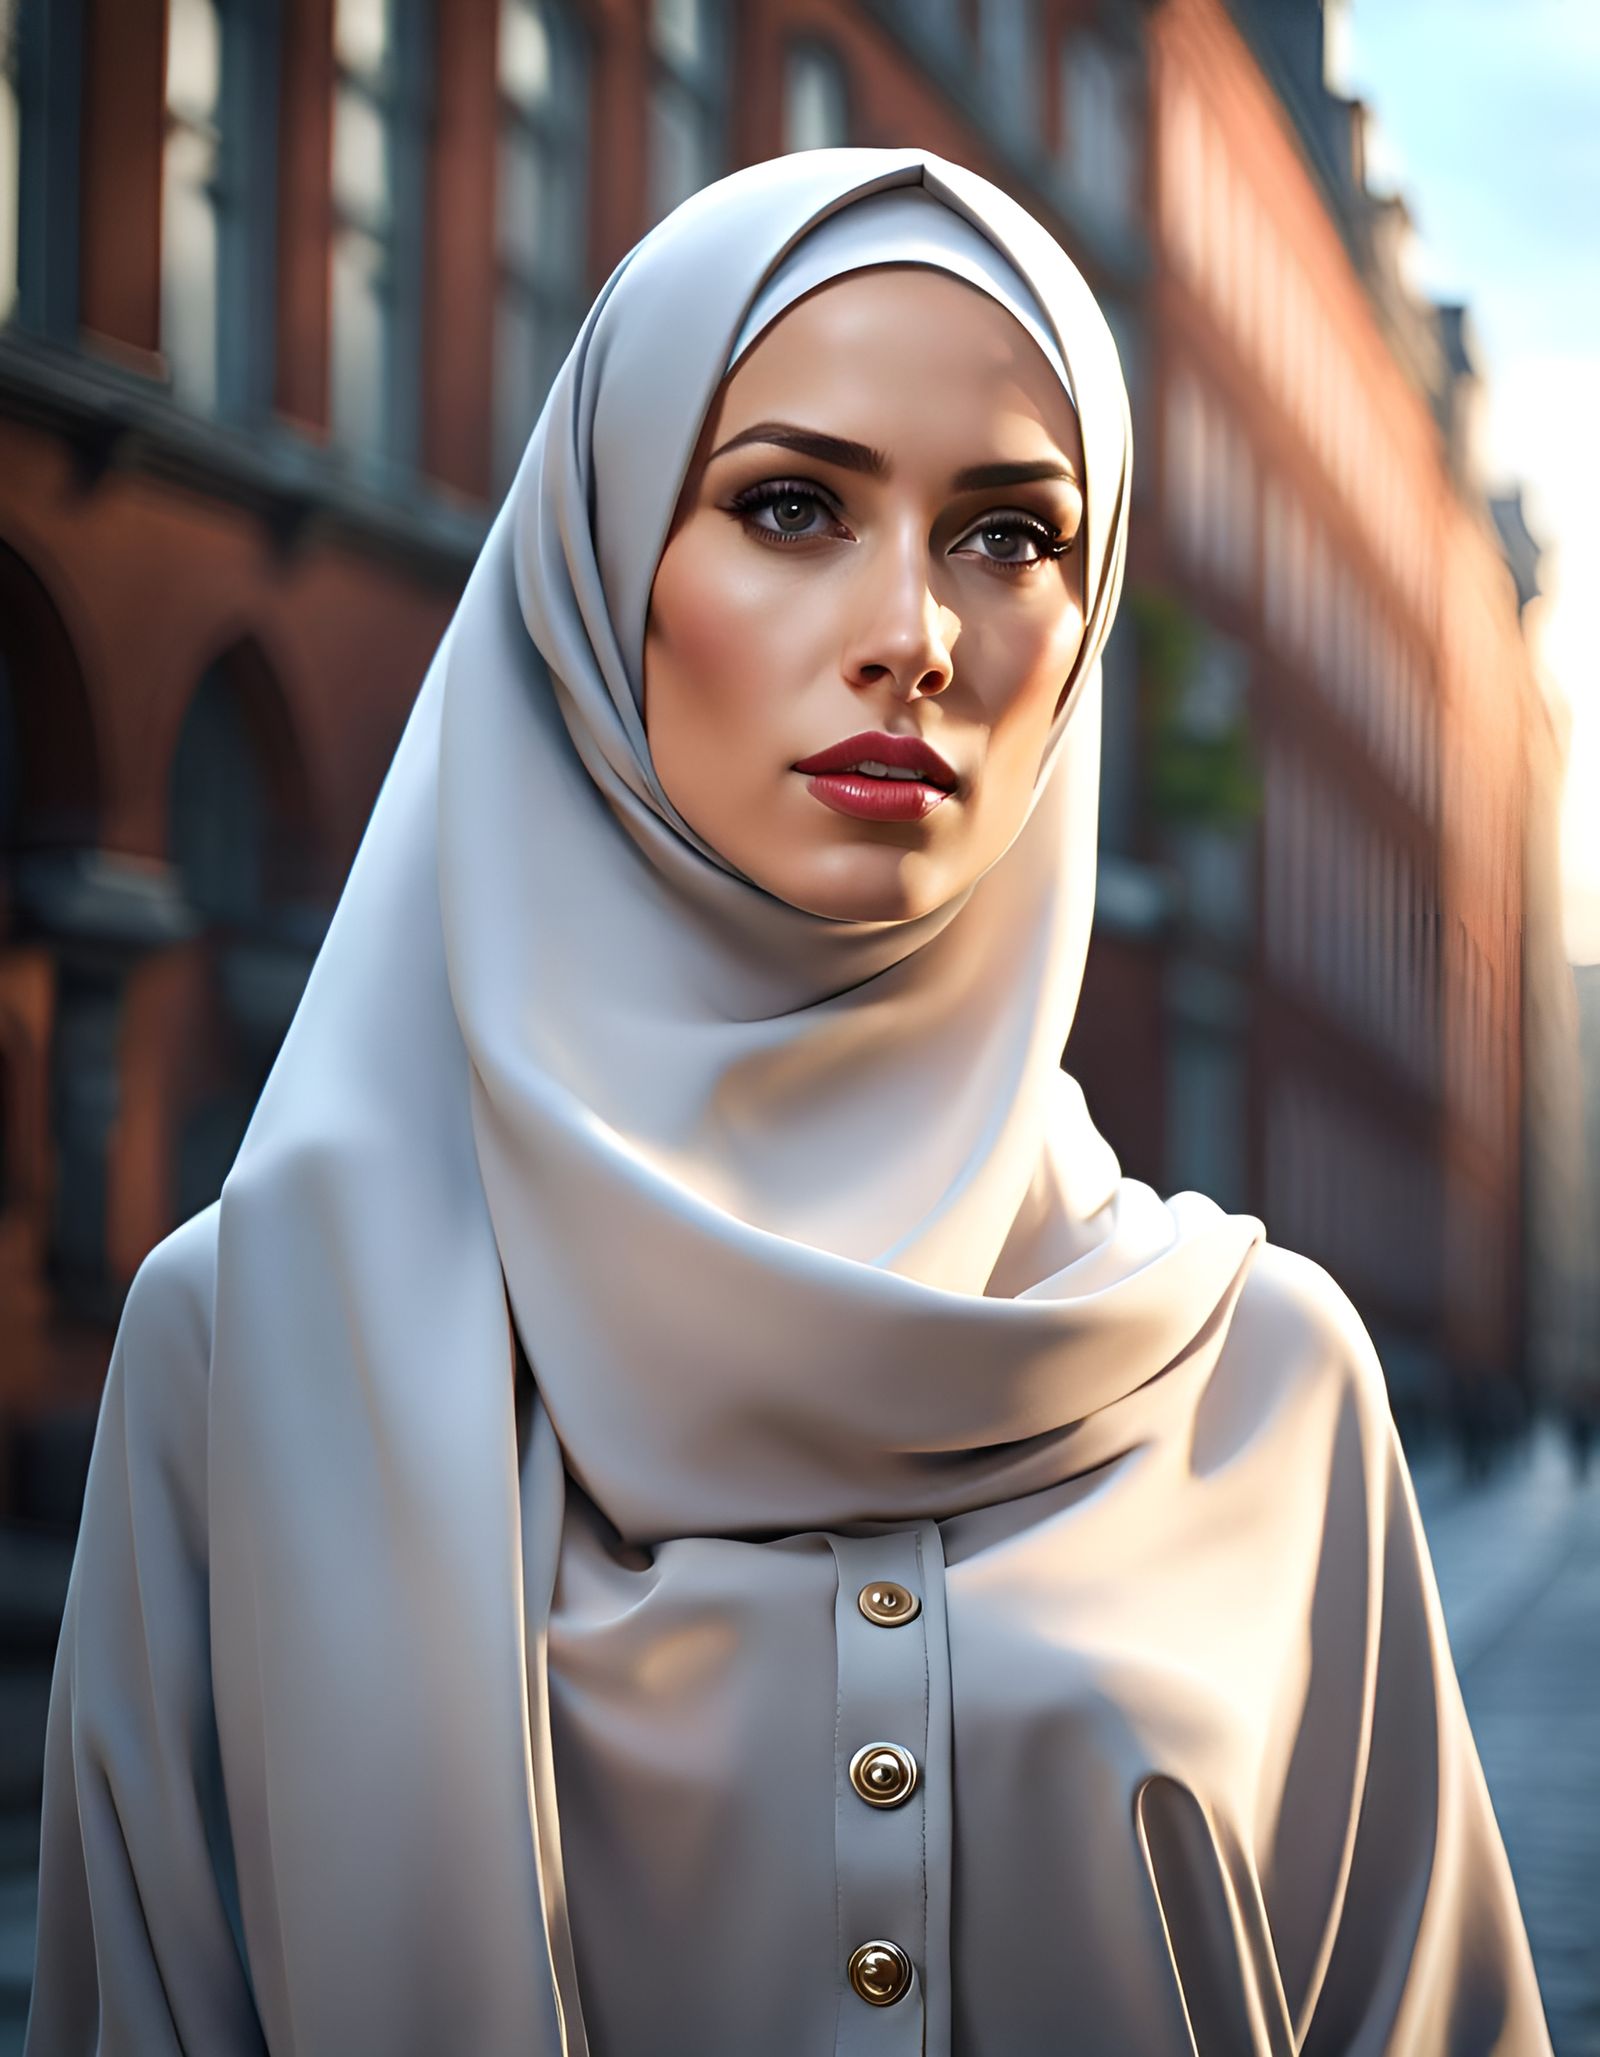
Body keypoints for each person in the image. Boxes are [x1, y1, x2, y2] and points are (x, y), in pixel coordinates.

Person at [26, 148, 1549, 2056]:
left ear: (1086, 642)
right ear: (601, 577)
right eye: (792, 503)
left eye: (1012, 534)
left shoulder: (1266, 1387)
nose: (913, 625)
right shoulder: (246, 1345)